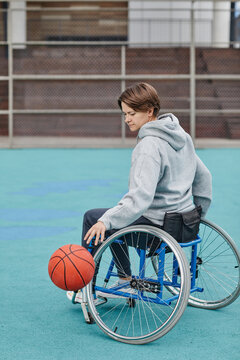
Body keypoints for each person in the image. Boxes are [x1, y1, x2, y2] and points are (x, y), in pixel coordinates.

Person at [67, 82, 212, 303]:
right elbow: (204, 178)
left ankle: (102, 287)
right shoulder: (183, 137)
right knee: (115, 216)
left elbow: (140, 198)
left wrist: (106, 221)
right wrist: (198, 216)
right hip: (183, 226)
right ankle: (123, 278)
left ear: (150, 111)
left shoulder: (148, 146)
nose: (127, 119)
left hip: (156, 231)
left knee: (95, 219)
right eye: (124, 113)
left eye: (132, 113)